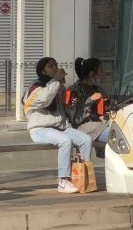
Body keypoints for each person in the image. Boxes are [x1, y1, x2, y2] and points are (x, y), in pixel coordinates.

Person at [23, 57, 93, 194]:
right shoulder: (35, 87)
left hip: (60, 127)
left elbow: (65, 112)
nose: (55, 68)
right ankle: (63, 181)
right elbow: (43, 100)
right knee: (65, 141)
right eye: (50, 66)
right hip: (40, 129)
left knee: (86, 140)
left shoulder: (58, 87)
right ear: (42, 71)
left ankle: (81, 178)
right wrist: (56, 81)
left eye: (56, 65)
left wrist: (70, 104)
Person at [69, 57, 110, 153]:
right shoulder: (73, 91)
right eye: (101, 71)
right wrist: (90, 100)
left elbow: (105, 109)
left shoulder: (99, 89)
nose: (104, 74)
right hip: (83, 128)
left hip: (100, 125)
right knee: (115, 136)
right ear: (92, 74)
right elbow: (75, 119)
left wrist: (106, 112)